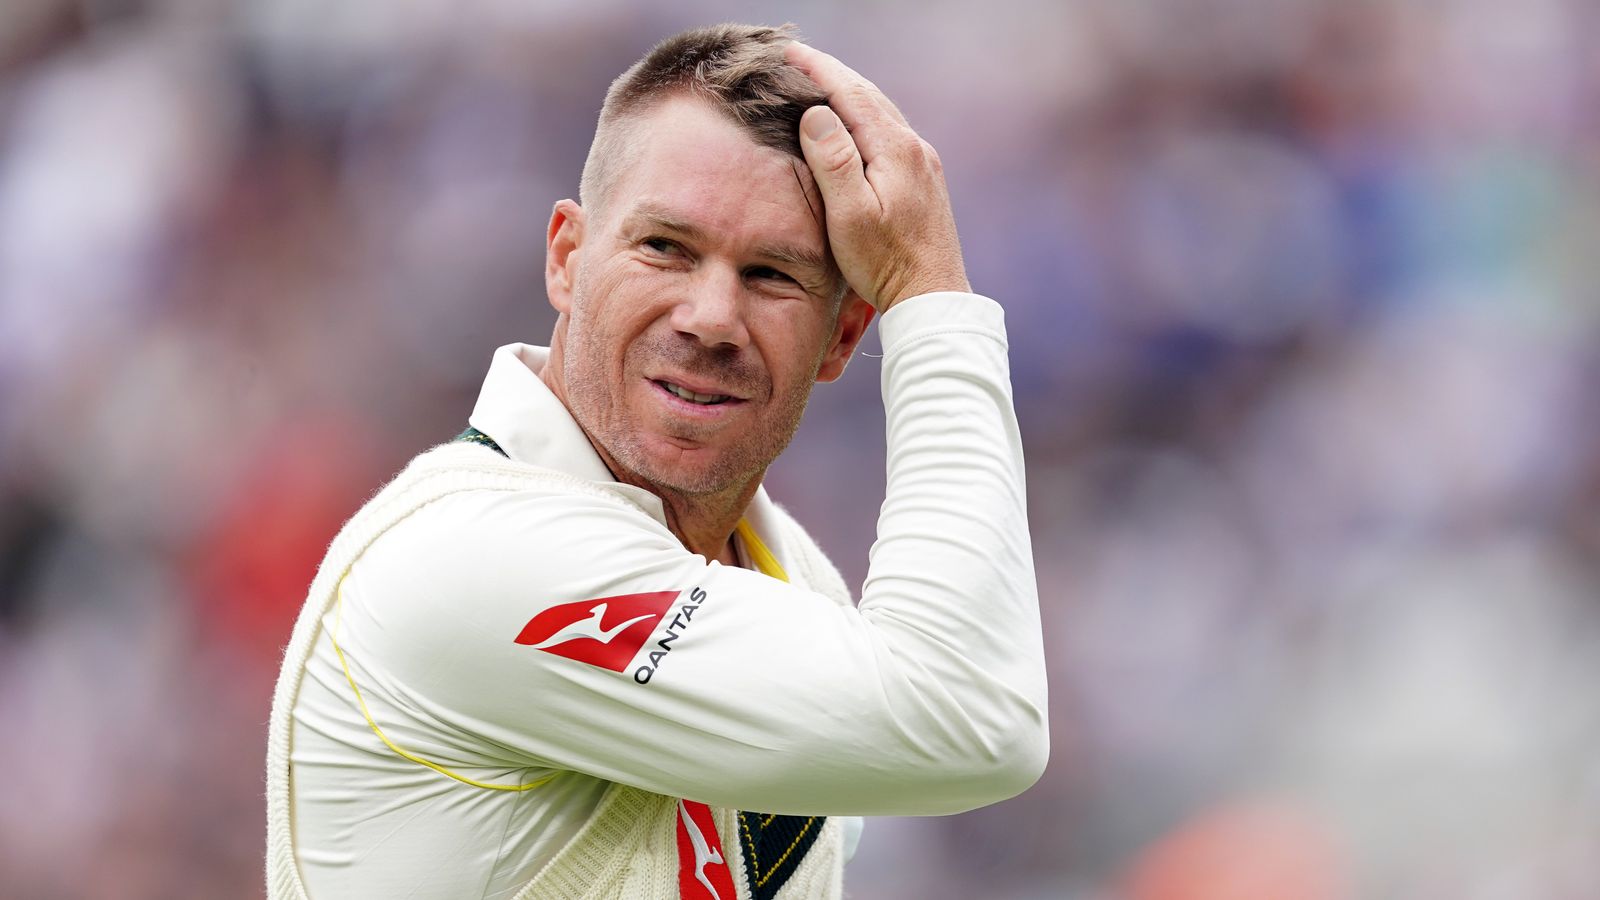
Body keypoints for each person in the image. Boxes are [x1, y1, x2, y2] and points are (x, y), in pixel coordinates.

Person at [265, 23, 1047, 900]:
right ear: (567, 259)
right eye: (666, 247)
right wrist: (926, 290)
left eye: (771, 274)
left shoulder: (795, 577)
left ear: (841, 339)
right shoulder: (468, 554)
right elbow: (973, 717)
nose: (710, 318)